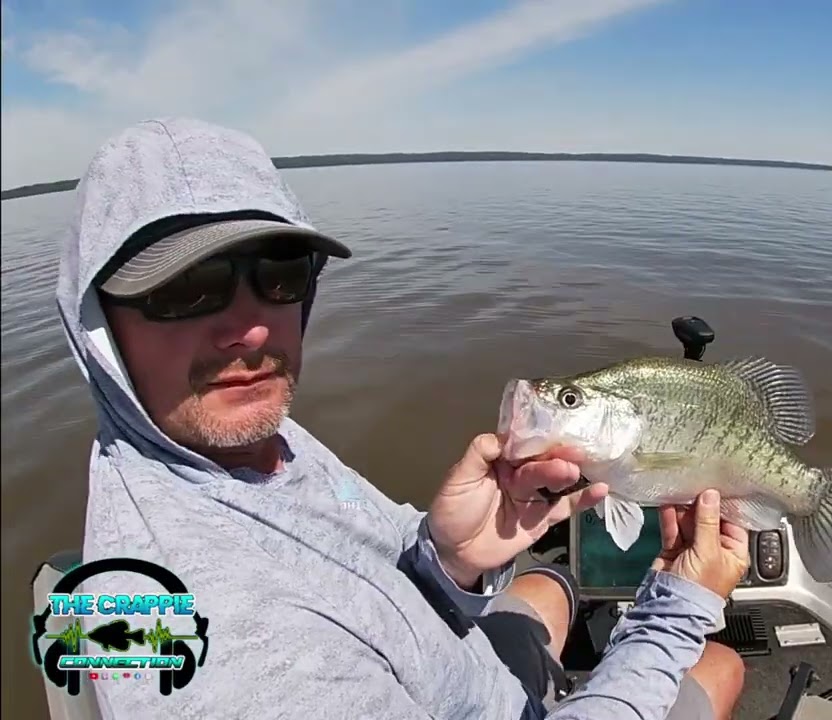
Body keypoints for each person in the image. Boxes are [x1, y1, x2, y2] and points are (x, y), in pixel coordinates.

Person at [53, 117, 749, 719]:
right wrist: (676, 609)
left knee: (548, 584)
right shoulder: (229, 660)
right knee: (720, 665)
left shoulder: (237, 434)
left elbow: (356, 577)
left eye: (279, 273)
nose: (252, 331)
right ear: (98, 328)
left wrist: (447, 561)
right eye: (186, 289)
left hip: (444, 673)